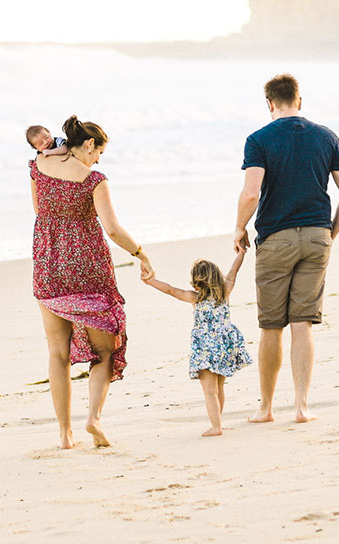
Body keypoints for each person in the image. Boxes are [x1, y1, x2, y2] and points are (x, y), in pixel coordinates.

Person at [233, 73, 339, 424]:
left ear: (269, 104)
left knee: (272, 325)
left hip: (276, 238)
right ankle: (302, 406)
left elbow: (251, 193)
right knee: (303, 323)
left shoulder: (258, 140)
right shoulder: (327, 136)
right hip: (318, 234)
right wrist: (330, 232)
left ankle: (267, 408)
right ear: (299, 101)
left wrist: (239, 227)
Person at [30, 114, 154, 448]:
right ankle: (93, 419)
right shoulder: (93, 179)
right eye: (98, 152)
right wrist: (140, 253)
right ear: (88, 144)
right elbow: (113, 229)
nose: (98, 159)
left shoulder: (38, 167)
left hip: (48, 267)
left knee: (57, 354)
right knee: (104, 352)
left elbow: (39, 209)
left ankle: (64, 435)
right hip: (88, 271)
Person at [141, 250, 253, 436]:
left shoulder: (194, 298)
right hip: (225, 346)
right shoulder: (224, 292)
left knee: (209, 391)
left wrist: (150, 281)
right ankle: (218, 422)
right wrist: (241, 253)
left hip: (205, 349)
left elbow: (170, 290)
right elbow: (234, 271)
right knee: (218, 388)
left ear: (196, 281)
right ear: (217, 277)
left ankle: (216, 427)